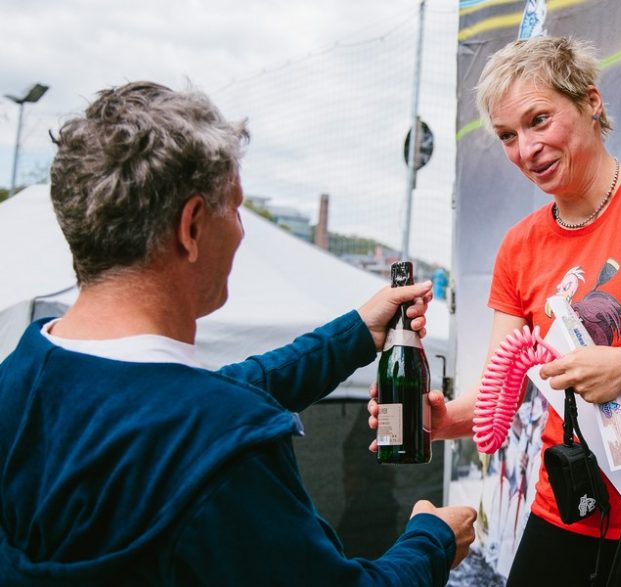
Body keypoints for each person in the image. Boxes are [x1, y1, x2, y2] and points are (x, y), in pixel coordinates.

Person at [0, 81, 476, 586]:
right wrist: (432, 539)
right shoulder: (227, 454)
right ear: (192, 227)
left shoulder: (19, 377)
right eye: (236, 207)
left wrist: (356, 333)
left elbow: (203, 399)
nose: (242, 231)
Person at [370, 36, 621, 585]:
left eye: (539, 120)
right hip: (572, 504)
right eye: (507, 136)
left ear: (591, 102)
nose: (526, 148)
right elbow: (508, 385)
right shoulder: (520, 247)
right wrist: (444, 420)